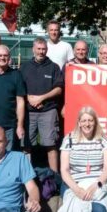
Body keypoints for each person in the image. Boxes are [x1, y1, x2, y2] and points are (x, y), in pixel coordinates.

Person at [20, 37, 64, 172]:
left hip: (48, 111)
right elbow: (18, 88)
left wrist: (41, 98)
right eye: (38, 49)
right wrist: (30, 99)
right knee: (26, 145)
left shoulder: (54, 67)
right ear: (33, 49)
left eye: (43, 49)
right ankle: (27, 175)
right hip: (28, 111)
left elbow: (59, 89)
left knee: (51, 145)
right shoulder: (24, 67)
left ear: (47, 50)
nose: (41, 51)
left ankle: (54, 176)